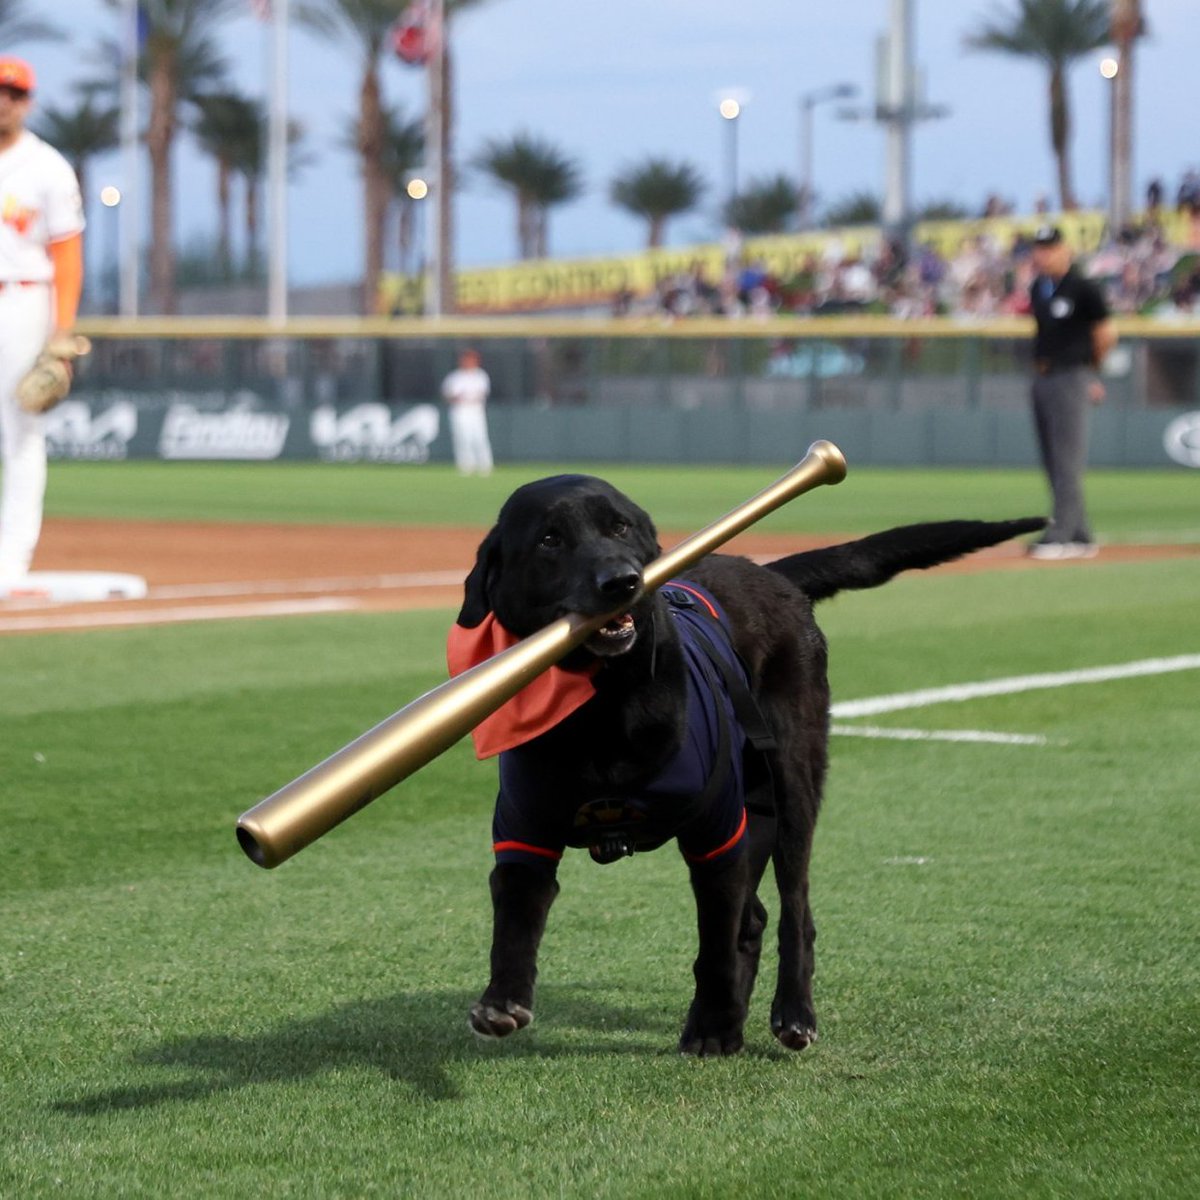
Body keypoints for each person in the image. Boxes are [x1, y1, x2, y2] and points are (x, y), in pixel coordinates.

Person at [0, 57, 85, 589]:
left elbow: (68, 253)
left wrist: (61, 331)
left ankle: (12, 556)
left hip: (24, 300)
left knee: (22, 426)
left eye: (13, 91)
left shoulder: (47, 166)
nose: (4, 99)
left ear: (28, 101)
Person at [1025, 226, 1117, 560]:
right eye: (1039, 248)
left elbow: (1107, 333)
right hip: (1043, 377)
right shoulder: (1039, 287)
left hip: (1071, 377)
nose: (1043, 253)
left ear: (1065, 249)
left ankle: (1060, 533)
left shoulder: (1083, 287)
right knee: (1052, 458)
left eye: (1049, 247)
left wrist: (1089, 371)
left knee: (1067, 459)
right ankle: (1079, 534)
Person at [441, 347, 493, 475]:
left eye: (471, 359)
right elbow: (447, 394)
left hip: (476, 410)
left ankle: (485, 466)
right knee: (462, 438)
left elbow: (482, 394)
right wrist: (457, 398)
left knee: (479, 437)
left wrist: (468, 397)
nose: (468, 362)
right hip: (459, 411)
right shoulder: (455, 376)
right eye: (466, 359)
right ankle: (466, 466)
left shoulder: (480, 375)